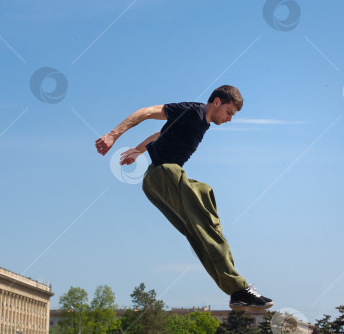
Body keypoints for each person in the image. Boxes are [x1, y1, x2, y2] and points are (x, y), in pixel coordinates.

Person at [95, 85, 273, 311]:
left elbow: (161, 133)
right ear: (217, 102)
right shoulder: (192, 111)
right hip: (165, 174)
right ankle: (240, 288)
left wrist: (138, 151)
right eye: (229, 112)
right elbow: (147, 111)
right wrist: (113, 134)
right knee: (206, 220)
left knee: (199, 228)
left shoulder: (201, 124)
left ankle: (236, 292)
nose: (229, 119)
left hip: (155, 181)